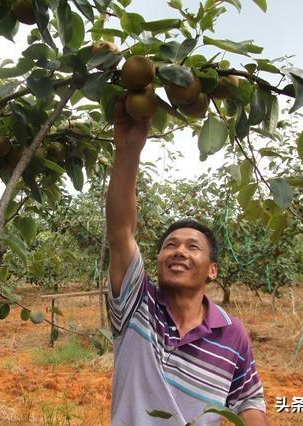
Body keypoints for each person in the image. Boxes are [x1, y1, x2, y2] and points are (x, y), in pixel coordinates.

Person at [106, 98, 268, 425]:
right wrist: (128, 151)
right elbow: (120, 229)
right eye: (170, 245)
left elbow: (248, 398)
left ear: (212, 270)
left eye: (193, 247)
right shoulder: (136, 304)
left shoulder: (231, 333)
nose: (179, 251)